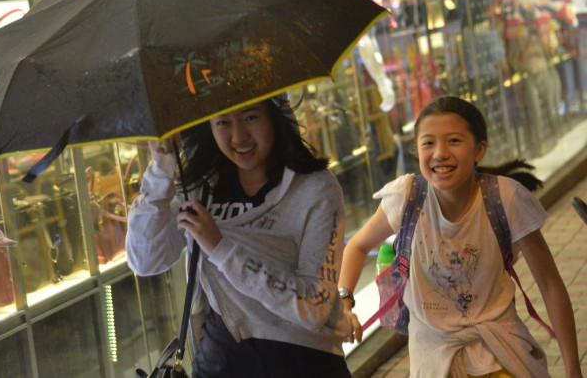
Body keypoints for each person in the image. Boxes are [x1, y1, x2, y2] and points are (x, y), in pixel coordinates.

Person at [338, 96, 583, 378]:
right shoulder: (405, 198)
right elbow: (357, 246)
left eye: (453, 141)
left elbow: (550, 285)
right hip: (434, 362)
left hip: (503, 357)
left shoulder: (505, 198)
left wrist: (573, 368)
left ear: (479, 149)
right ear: (416, 150)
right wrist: (344, 302)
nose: (440, 153)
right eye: (428, 143)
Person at [126, 95, 352, 378]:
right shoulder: (199, 185)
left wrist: (220, 247)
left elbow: (313, 308)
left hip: (302, 363)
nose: (238, 136)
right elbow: (145, 261)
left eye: (250, 117)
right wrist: (161, 171)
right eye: (223, 122)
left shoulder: (315, 187)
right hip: (220, 362)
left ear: (275, 116)